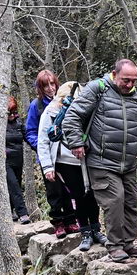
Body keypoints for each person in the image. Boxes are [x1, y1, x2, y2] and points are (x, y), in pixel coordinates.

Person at [62, 59, 137, 262]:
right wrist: (76, 143)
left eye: (133, 81)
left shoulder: (136, 97)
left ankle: (128, 244)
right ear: (114, 74)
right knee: (115, 202)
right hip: (101, 161)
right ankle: (115, 246)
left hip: (127, 163)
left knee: (131, 203)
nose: (129, 85)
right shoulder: (97, 89)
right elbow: (72, 116)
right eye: (125, 80)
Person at [38, 81, 105, 251]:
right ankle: (85, 232)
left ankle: (96, 229)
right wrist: (47, 167)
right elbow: (43, 140)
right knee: (79, 195)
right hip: (65, 160)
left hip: (87, 157)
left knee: (92, 194)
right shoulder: (51, 111)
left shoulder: (86, 109)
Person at [24, 69, 78, 234]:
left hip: (66, 154)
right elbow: (30, 132)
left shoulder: (65, 101)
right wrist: (41, 148)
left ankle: (71, 219)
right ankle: (58, 222)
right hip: (47, 155)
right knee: (54, 190)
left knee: (69, 189)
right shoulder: (37, 106)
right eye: (45, 85)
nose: (50, 88)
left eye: (52, 84)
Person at [4, 97, 31, 223]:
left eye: (14, 112)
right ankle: (23, 213)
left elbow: (28, 138)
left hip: (18, 160)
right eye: (9, 113)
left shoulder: (19, 123)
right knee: (14, 186)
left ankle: (10, 211)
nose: (12, 115)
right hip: (5, 161)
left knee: (16, 185)